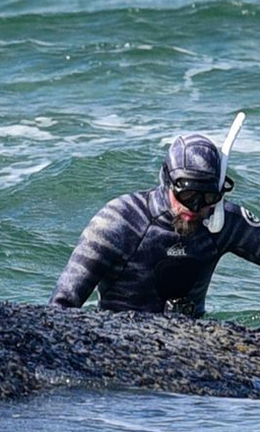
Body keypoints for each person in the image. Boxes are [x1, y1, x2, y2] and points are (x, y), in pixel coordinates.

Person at [50, 132, 260, 316]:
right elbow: (60, 307)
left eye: (207, 197)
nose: (195, 207)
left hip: (193, 338)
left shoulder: (221, 222)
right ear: (167, 181)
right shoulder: (121, 222)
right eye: (187, 195)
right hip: (121, 337)